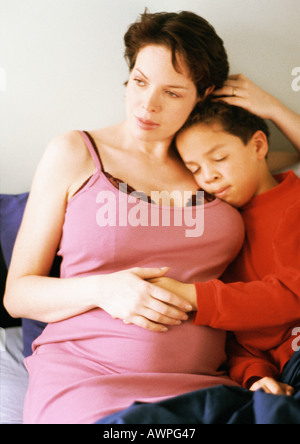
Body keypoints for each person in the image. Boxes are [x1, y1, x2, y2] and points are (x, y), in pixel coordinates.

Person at [3, 10, 300, 423]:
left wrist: (270, 105)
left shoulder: (212, 164)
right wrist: (105, 290)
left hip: (207, 386)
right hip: (90, 380)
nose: (147, 105)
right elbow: (17, 294)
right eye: (140, 82)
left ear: (204, 92)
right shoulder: (75, 153)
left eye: (173, 93)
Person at [152, 100, 300, 397]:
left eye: (219, 158)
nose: (208, 176)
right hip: (282, 378)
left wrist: (195, 296)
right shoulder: (219, 231)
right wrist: (256, 375)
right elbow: (239, 338)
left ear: (258, 146)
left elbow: (290, 296)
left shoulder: (294, 206)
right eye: (194, 169)